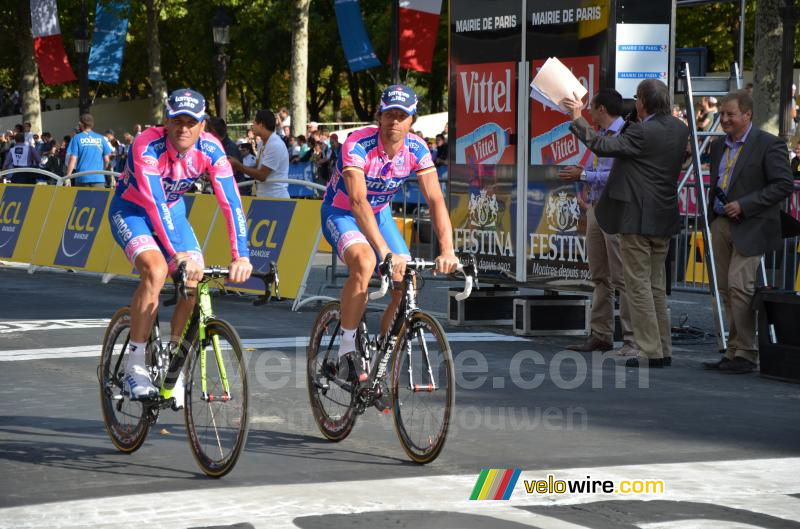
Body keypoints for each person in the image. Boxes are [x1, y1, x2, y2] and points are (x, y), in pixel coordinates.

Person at [107, 88, 251, 404]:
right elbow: (154, 202)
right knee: (157, 271)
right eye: (177, 121)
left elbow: (231, 202)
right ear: (166, 121)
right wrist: (176, 253)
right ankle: (135, 365)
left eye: (191, 122)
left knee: (192, 278)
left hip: (172, 213)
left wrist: (241, 254)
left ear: (203, 126)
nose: (183, 128)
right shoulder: (146, 145)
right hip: (133, 210)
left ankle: (173, 360)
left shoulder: (211, 149)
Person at [320, 84, 459, 399]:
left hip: (379, 213)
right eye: (389, 115)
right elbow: (357, 201)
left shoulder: (417, 149)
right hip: (342, 211)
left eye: (402, 116)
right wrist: (383, 251)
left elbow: (436, 199)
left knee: (405, 278)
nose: (394, 121)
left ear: (412, 120)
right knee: (366, 261)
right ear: (379, 116)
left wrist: (447, 249)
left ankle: (381, 361)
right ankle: (345, 351)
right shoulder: (357, 144)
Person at [563, 79, 689, 368]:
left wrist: (576, 117)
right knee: (656, 285)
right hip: (664, 214)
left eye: (637, 99)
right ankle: (662, 346)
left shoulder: (643, 131)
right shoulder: (679, 128)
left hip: (638, 216)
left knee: (638, 284)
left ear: (642, 102)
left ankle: (649, 350)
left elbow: (601, 144)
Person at [702, 90, 794, 374]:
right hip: (721, 223)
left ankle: (747, 351)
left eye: (730, 114)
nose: (725, 119)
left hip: (752, 225)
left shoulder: (768, 144)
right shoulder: (718, 146)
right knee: (724, 289)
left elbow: (783, 184)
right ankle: (733, 349)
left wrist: (745, 205)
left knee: (739, 287)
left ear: (747, 115)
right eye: (722, 114)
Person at [559, 88, 636, 356]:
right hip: (597, 207)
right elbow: (601, 171)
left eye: (592, 107)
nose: (590, 112)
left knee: (621, 277)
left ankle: (630, 338)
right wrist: (585, 180)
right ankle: (601, 334)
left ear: (602, 109)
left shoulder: (626, 133)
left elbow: (614, 175)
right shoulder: (602, 135)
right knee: (599, 276)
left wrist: (583, 176)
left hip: (614, 211)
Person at [228, 109, 290, 199]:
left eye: (254, 123)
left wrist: (238, 166)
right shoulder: (262, 142)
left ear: (261, 125)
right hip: (264, 197)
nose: (252, 126)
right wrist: (234, 166)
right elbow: (258, 168)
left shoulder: (275, 144)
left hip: (276, 199)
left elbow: (262, 175)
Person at [65, 113, 113, 188]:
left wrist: (68, 177)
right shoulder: (101, 138)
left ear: (80, 124)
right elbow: (107, 160)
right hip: (98, 178)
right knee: (99, 200)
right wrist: (101, 172)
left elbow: (73, 159)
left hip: (82, 178)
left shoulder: (76, 138)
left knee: (82, 200)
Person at [207, 116, 245, 182]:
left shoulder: (229, 148)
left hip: (234, 189)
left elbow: (227, 175)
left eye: (206, 132)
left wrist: (207, 177)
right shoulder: (221, 145)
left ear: (213, 132)